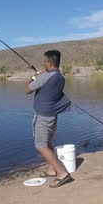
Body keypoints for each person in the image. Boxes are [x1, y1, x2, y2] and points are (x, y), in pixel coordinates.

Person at [25, 50, 73, 188]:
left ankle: (62, 173)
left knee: (40, 145)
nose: (43, 63)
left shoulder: (45, 77)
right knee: (49, 143)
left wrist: (34, 77)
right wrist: (41, 76)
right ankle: (52, 169)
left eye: (45, 61)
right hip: (52, 115)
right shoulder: (60, 77)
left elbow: (27, 90)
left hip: (43, 115)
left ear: (50, 63)